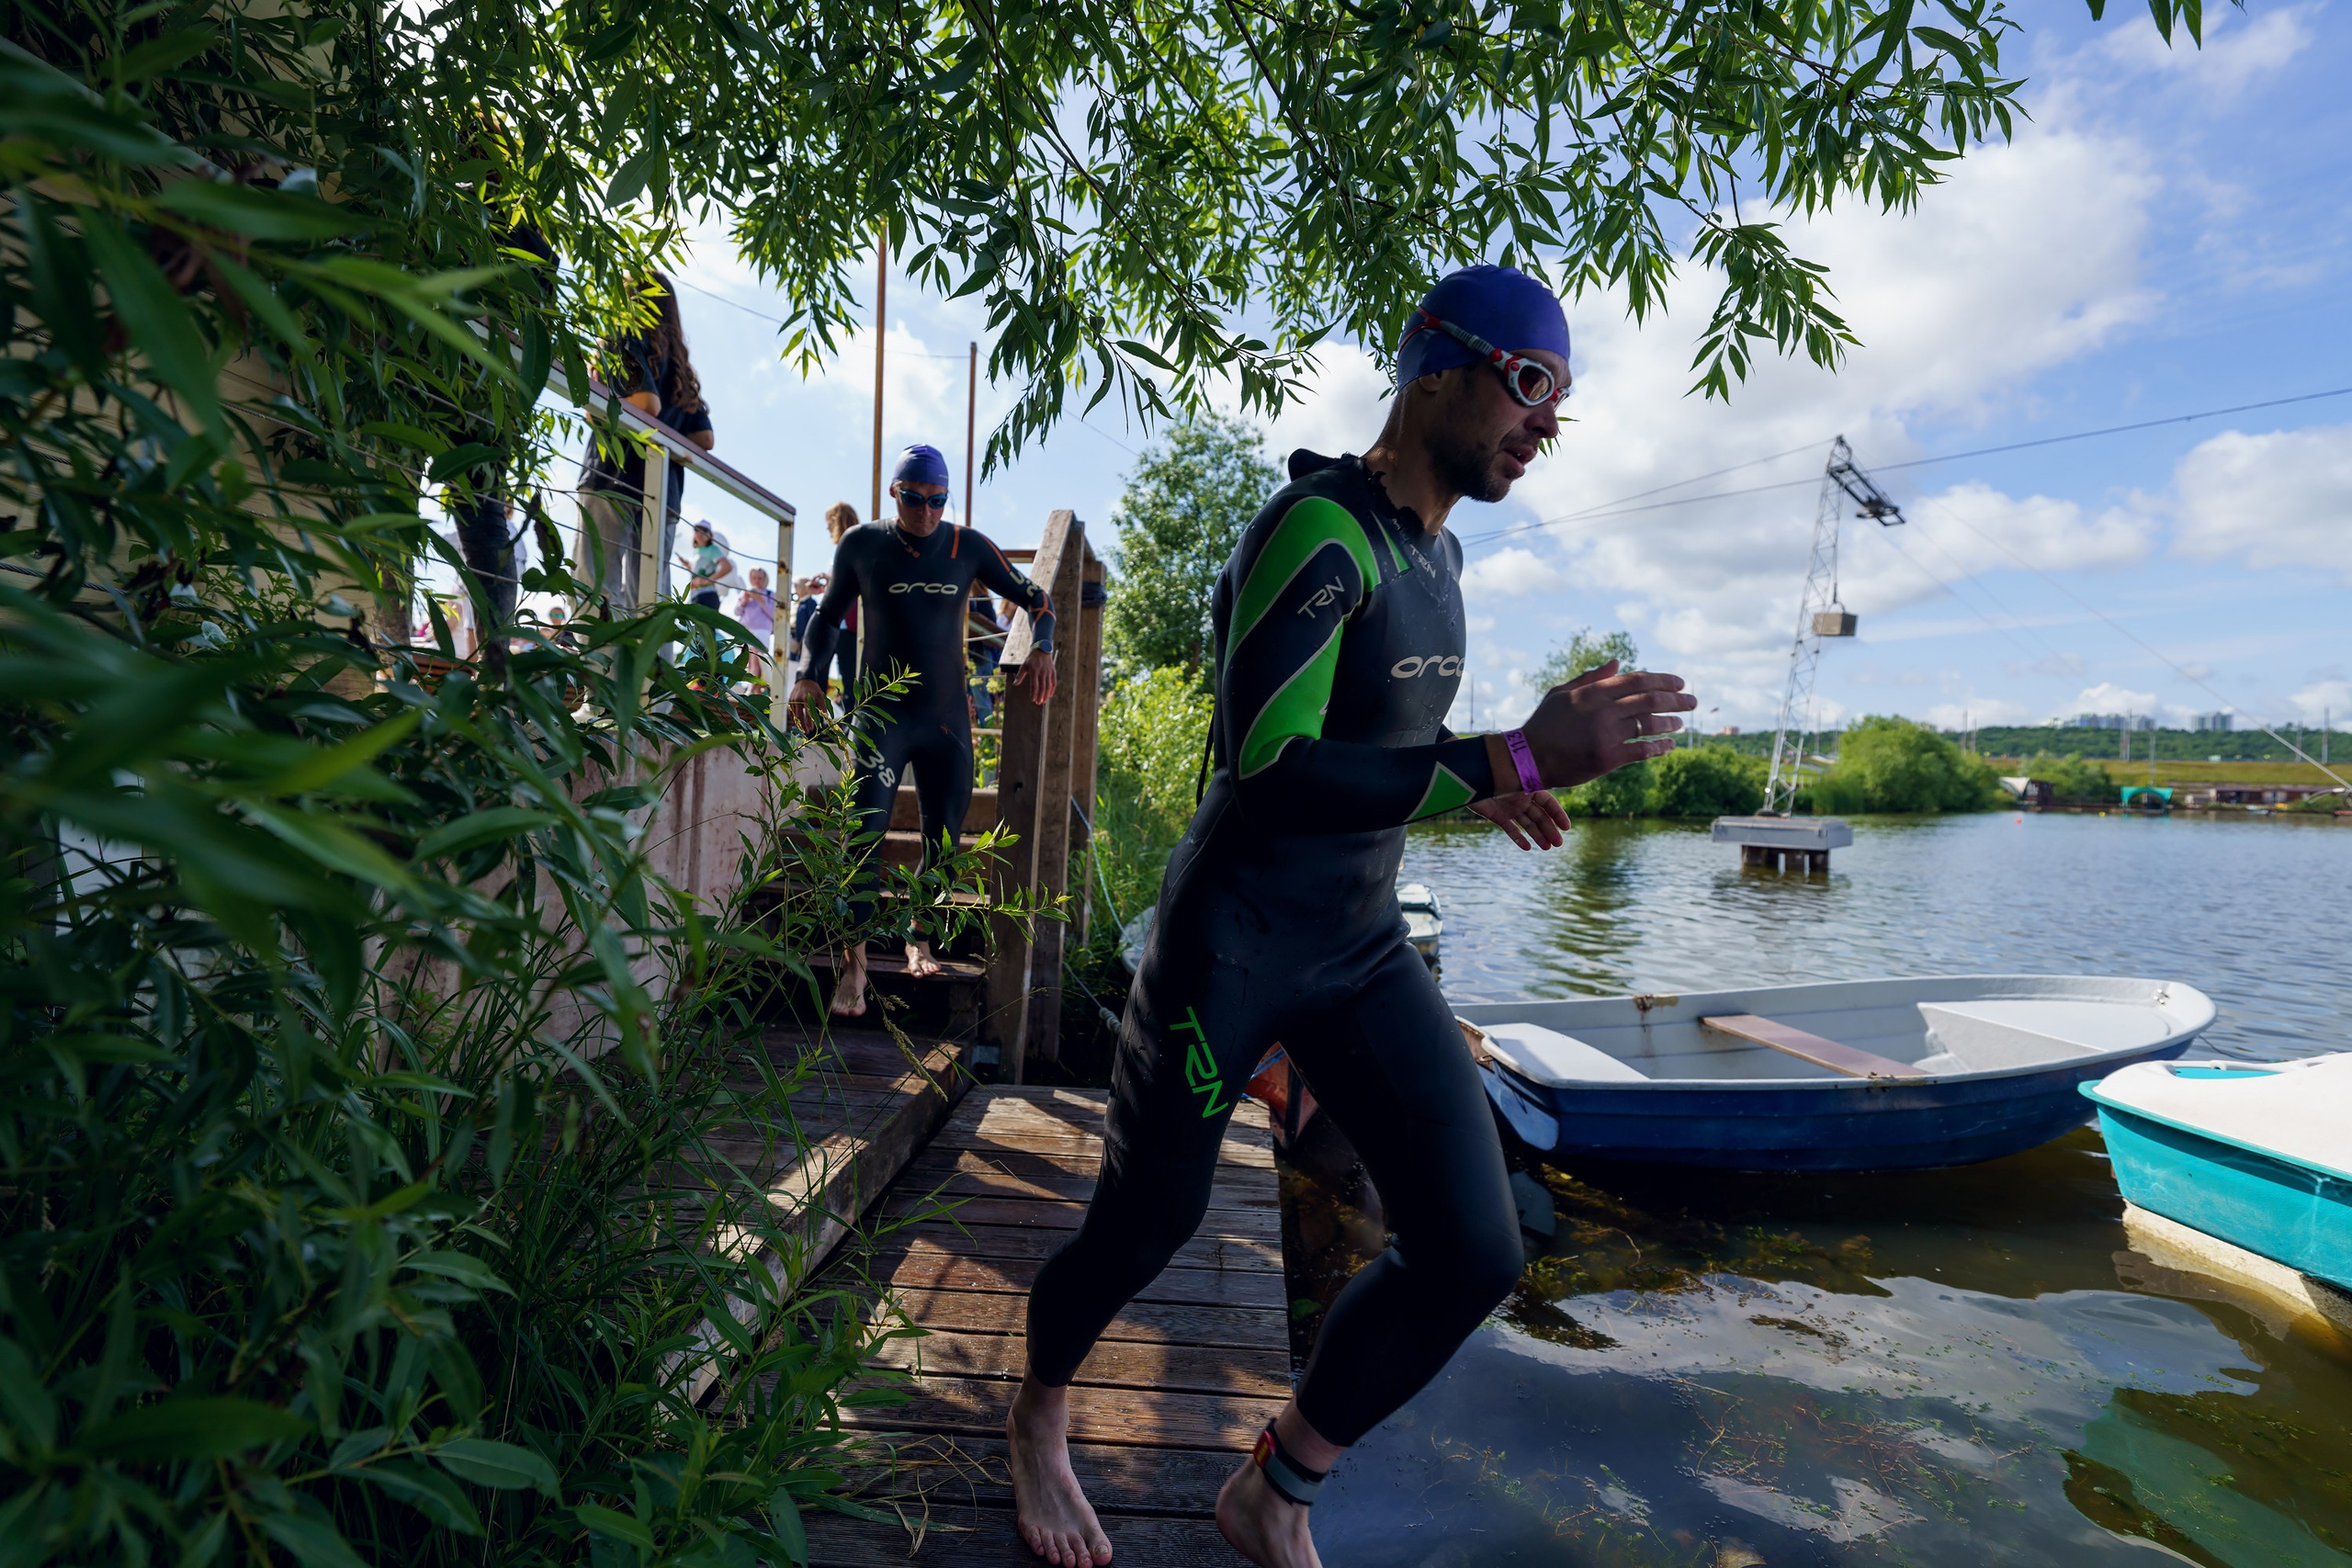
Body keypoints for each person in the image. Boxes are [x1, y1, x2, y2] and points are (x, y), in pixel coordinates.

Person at [1004, 265, 1694, 1568]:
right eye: (1531, 383)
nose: (1544, 423)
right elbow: (1273, 764)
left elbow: (1383, 743)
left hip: (1359, 944)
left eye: (1562, 402)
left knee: (1471, 1246)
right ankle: (1039, 1405)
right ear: (1439, 361)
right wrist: (1507, 758)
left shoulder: (1439, 555)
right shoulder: (1316, 529)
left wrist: (1487, 786)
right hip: (1237, 944)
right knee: (1147, 1224)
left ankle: (1277, 1486)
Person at [791, 446, 1060, 1015]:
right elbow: (828, 614)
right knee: (860, 837)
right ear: (896, 493)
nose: (928, 514)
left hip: (945, 722)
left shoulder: (968, 546)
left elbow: (1036, 600)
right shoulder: (862, 543)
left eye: (938, 502)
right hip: (880, 715)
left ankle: (919, 938)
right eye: (915, 500)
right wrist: (809, 676)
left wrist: (1042, 647)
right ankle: (855, 969)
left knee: (943, 841)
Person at [577, 273, 714, 606]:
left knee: (597, 587)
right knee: (651, 599)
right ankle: (653, 661)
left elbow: (646, 404)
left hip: (614, 474)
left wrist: (592, 394)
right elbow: (704, 437)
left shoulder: (622, 337)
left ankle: (599, 661)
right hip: (662, 491)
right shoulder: (678, 364)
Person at [817, 502, 860, 696]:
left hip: (846, 623)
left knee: (848, 676)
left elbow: (851, 582)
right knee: (827, 672)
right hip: (840, 622)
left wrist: (829, 580)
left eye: (828, 522)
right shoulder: (851, 546)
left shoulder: (851, 547)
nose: (826, 527)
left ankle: (846, 722)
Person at [677, 520, 733, 610]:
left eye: (704, 530)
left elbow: (727, 567)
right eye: (697, 529)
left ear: (710, 535)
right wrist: (687, 565)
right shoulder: (696, 552)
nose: (700, 533)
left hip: (708, 596)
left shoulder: (712, 549)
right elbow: (698, 571)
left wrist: (707, 580)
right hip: (695, 596)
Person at [735, 566, 778, 681]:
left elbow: (774, 614)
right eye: (754, 578)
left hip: (762, 630)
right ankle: (753, 687)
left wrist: (760, 600)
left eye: (760, 578)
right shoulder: (745, 594)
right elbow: (737, 612)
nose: (757, 581)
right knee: (747, 659)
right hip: (746, 630)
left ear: (765, 579)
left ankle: (752, 685)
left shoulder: (770, 594)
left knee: (757, 658)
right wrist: (744, 601)